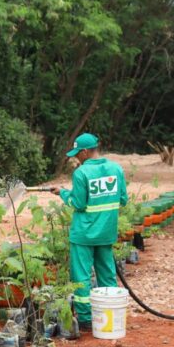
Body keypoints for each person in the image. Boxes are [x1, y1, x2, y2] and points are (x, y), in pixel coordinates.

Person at [49, 133, 127, 331]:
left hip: (84, 234)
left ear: (84, 152)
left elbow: (79, 203)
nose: (76, 158)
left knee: (81, 277)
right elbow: (123, 200)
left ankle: (85, 319)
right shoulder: (116, 169)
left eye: (77, 154)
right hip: (106, 232)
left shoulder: (81, 173)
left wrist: (64, 193)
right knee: (107, 275)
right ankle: (110, 315)